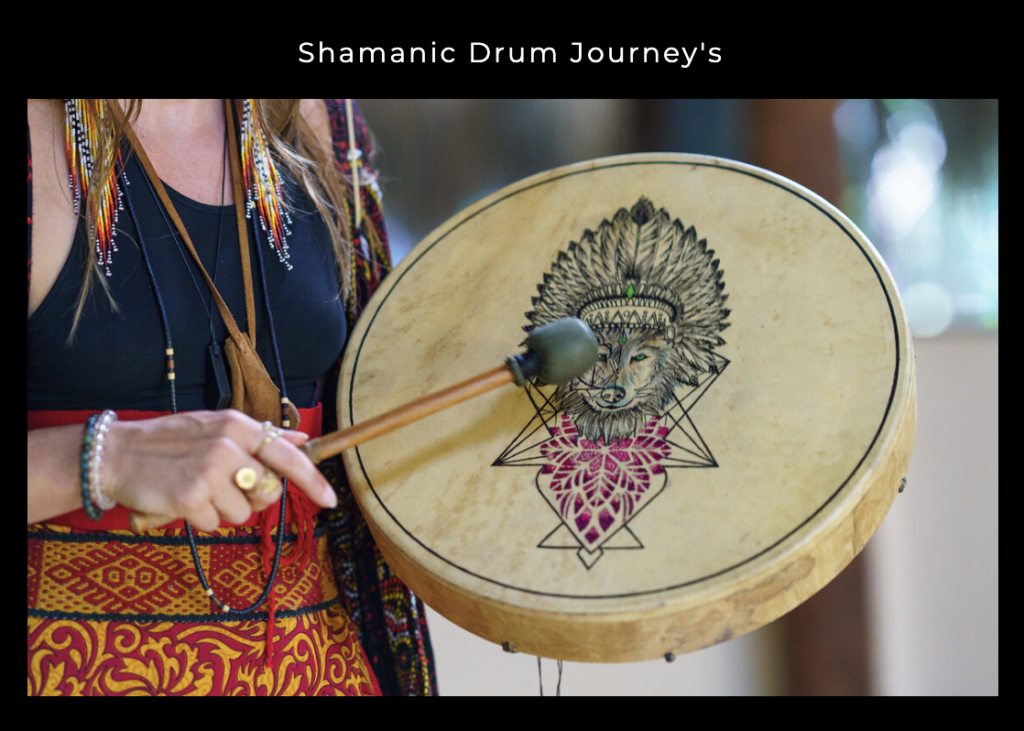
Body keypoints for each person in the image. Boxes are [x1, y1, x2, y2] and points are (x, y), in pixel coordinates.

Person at [27, 99, 437, 696]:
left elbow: (373, 408)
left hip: (318, 667)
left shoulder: (322, 120)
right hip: (71, 666)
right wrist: (102, 459)